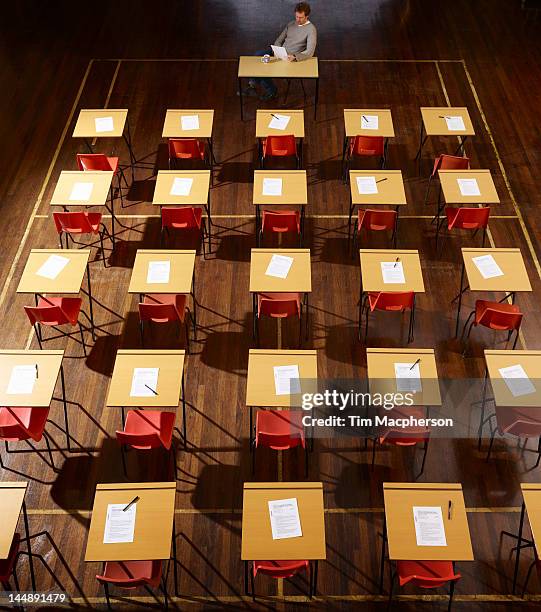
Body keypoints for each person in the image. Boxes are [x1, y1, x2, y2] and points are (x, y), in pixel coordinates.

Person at [242, 2, 317, 101]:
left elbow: (310, 52)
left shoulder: (311, 30)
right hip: (280, 53)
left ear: (307, 16)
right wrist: (277, 50)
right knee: (257, 56)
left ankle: (271, 90)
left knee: (264, 69)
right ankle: (252, 85)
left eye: (301, 17)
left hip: (292, 58)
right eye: (296, 17)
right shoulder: (291, 24)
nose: (298, 20)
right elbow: (279, 40)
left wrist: (295, 57)